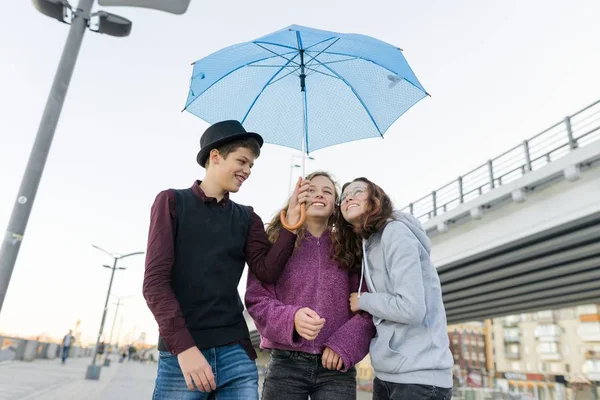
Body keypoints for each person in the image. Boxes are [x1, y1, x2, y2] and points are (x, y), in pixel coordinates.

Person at [143, 120, 309, 399]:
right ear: (215, 156)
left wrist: (290, 227)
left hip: (235, 352)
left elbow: (267, 272)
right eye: (242, 161)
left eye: (251, 166)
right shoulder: (172, 202)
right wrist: (184, 349)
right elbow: (155, 284)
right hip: (182, 353)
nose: (247, 171)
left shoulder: (247, 217)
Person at [246, 171, 375, 400]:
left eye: (327, 192)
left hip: (336, 367)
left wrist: (344, 344)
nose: (319, 195)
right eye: (311, 190)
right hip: (286, 364)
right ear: (299, 197)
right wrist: (291, 318)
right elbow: (257, 300)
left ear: (336, 206)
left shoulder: (352, 248)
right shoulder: (277, 242)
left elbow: (369, 307)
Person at [334, 177, 454, 400]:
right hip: (389, 376)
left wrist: (364, 300)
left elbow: (411, 308)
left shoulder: (396, 232)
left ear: (376, 201)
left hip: (421, 379)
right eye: (344, 196)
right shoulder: (368, 243)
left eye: (358, 191)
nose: (349, 197)